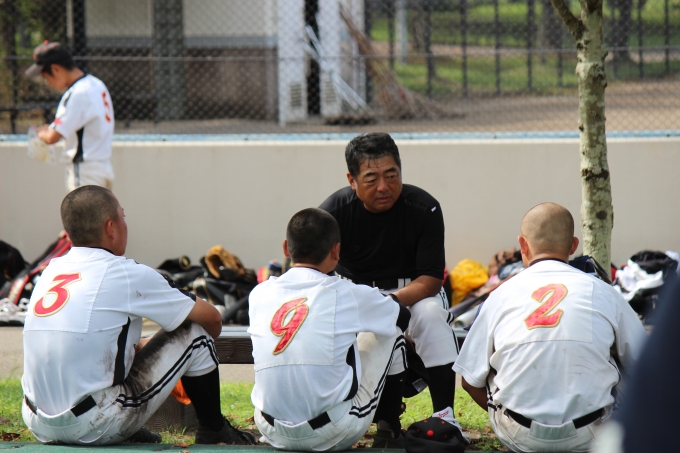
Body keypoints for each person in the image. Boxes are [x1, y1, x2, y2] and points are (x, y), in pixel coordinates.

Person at [21, 185, 254, 446]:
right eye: (123, 216)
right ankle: (215, 431)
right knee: (195, 332)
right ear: (110, 227)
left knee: (119, 346)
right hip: (95, 423)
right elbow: (212, 319)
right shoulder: (125, 272)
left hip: (38, 421)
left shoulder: (51, 270)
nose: (125, 224)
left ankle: (125, 430)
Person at [453, 202, 646, 452]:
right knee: (626, 360)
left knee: (486, 362)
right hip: (591, 435)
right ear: (574, 246)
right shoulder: (604, 291)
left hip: (519, 436)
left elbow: (469, 381)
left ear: (523, 245)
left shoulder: (500, 295)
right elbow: (646, 363)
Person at [319, 132, 462, 446]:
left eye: (391, 175)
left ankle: (445, 416)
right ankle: (384, 421)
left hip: (413, 293)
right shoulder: (333, 213)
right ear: (352, 180)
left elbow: (431, 279)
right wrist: (375, 306)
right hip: (354, 295)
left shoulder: (424, 207)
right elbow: (318, 273)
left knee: (431, 315)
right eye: (371, 179)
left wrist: (388, 303)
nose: (383, 186)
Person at [248, 208, 411, 451]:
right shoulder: (346, 292)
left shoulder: (259, 293)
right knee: (392, 332)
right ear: (336, 251)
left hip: (270, 429)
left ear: (286, 248)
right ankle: (390, 430)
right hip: (332, 432)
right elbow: (401, 316)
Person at [25, 42, 115, 192]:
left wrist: (42, 134)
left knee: (79, 209)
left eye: (46, 77)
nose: (49, 83)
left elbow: (52, 137)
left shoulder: (77, 93)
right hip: (103, 167)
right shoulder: (96, 84)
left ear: (56, 69)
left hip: (85, 172)